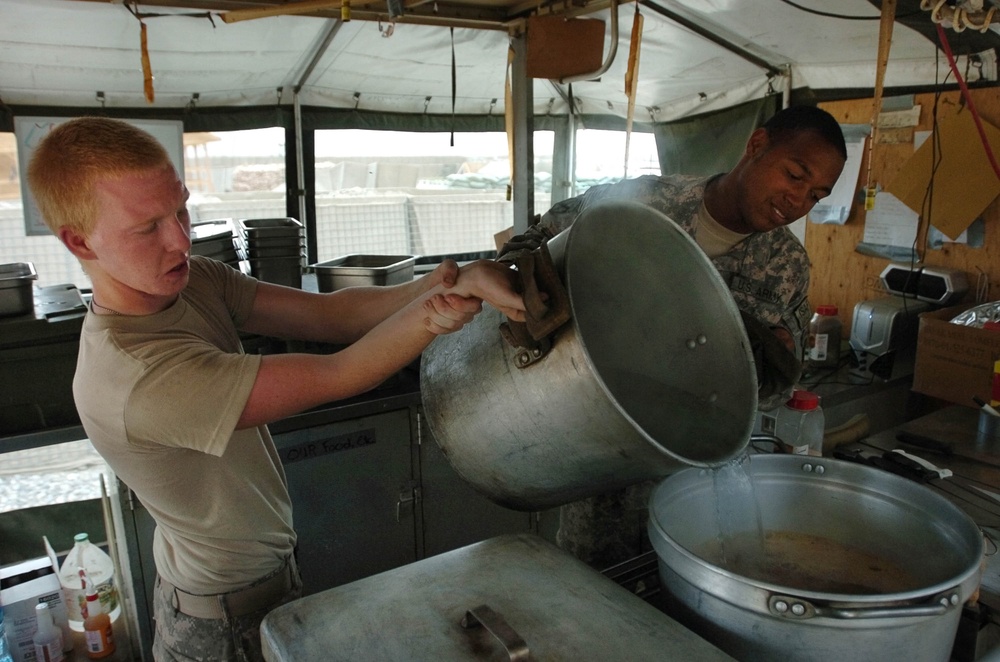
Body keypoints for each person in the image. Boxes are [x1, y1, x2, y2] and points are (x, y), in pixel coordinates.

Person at [27, 117, 526, 662]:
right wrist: (437, 313)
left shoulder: (192, 282)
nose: (180, 239)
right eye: (147, 227)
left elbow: (330, 315)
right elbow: (342, 372)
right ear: (78, 241)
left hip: (265, 577)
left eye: (181, 210)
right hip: (218, 620)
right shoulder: (136, 375)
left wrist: (441, 281)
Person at [501, 104, 847, 569]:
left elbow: (772, 387)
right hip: (606, 458)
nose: (798, 200)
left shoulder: (786, 264)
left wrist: (772, 367)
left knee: (691, 595)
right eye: (794, 175)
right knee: (595, 590)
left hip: (700, 474)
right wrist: (525, 292)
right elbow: (532, 244)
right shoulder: (641, 202)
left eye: (816, 196)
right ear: (757, 146)